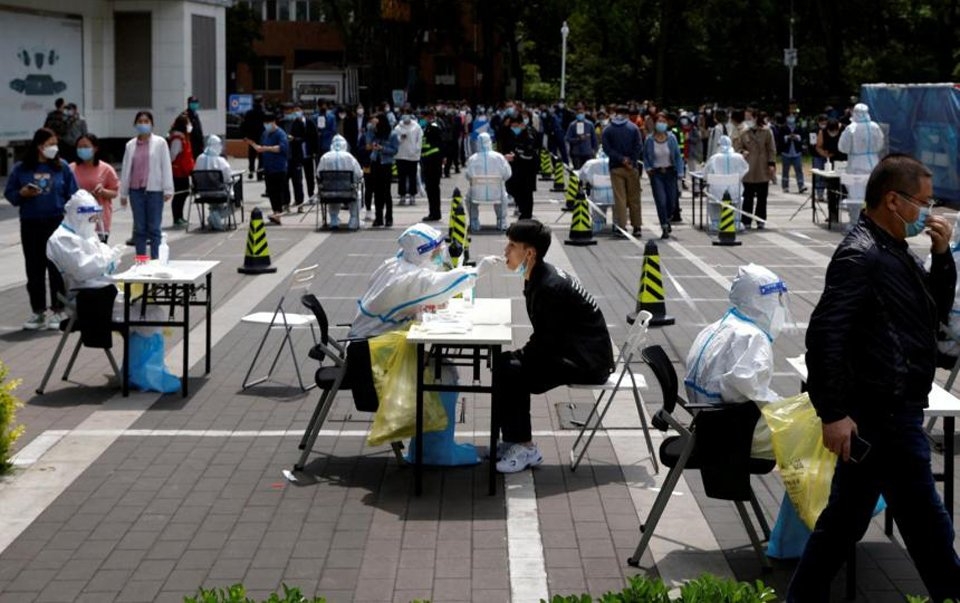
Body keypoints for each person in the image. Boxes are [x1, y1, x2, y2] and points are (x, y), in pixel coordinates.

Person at [787, 154, 960, 602]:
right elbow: (825, 335)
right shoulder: (860, 255)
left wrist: (941, 259)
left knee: (844, 523)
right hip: (882, 414)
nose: (928, 212)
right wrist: (834, 413)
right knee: (928, 527)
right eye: (922, 202)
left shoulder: (892, 249)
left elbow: (931, 313)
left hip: (889, 409)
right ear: (892, 200)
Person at [348, 223, 502, 465]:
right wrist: (476, 272)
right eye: (435, 250)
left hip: (374, 346)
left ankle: (433, 446)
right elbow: (434, 285)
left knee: (442, 367)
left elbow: (424, 289)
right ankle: (435, 453)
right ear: (420, 252)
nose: (439, 254)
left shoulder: (397, 265)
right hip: (370, 356)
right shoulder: (406, 277)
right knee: (442, 375)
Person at [494, 220, 615, 472]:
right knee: (506, 363)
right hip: (573, 350)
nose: (505, 250)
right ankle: (513, 440)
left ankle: (527, 448)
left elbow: (548, 341)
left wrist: (522, 356)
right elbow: (548, 337)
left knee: (512, 370)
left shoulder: (549, 286)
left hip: (588, 362)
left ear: (530, 253)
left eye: (511, 245)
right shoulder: (537, 275)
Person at [684, 264, 789, 459]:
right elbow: (744, 390)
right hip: (735, 433)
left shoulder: (719, 327)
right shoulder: (751, 338)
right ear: (761, 301)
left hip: (708, 423)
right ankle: (803, 490)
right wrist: (786, 408)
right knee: (817, 428)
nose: (779, 307)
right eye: (776, 300)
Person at [4, 127, 78, 330]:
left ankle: (58, 310)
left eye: (55, 143)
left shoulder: (61, 166)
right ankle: (38, 311)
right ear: (39, 146)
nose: (54, 148)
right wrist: (22, 193)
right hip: (31, 223)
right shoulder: (22, 168)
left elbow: (73, 194)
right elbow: (10, 194)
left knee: (56, 268)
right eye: (49, 144)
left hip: (55, 222)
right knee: (34, 269)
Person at [46, 190, 124, 293]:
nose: (94, 223)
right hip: (81, 292)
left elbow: (102, 255)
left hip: (94, 287)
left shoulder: (84, 233)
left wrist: (108, 259)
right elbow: (83, 270)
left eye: (96, 218)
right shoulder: (61, 239)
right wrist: (110, 257)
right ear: (78, 217)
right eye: (92, 219)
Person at [120, 111, 174, 258]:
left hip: (154, 190)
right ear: (135, 124)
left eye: (146, 121)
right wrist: (123, 193)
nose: (143, 124)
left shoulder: (160, 143)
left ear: (151, 124)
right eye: (140, 121)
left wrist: (168, 188)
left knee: (154, 228)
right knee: (139, 228)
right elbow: (126, 170)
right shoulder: (130, 145)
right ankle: (141, 260)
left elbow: (166, 166)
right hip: (135, 191)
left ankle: (156, 260)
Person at [602, 105, 644, 238]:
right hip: (632, 168)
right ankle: (637, 227)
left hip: (616, 167)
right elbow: (638, 146)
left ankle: (621, 226)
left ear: (615, 114)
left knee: (620, 199)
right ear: (627, 115)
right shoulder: (633, 128)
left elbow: (607, 149)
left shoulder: (608, 129)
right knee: (634, 198)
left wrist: (621, 159)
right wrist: (630, 160)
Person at [70, 133, 120, 242]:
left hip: (98, 220)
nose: (82, 149)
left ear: (95, 148)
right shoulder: (71, 169)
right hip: (77, 219)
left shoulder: (106, 169)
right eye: (80, 147)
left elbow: (114, 192)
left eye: (86, 147)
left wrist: (102, 191)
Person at [642, 113, 684, 240]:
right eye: (659, 121)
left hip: (671, 172)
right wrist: (648, 169)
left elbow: (677, 156)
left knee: (671, 202)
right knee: (661, 200)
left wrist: (680, 172)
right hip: (657, 174)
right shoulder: (649, 140)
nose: (661, 124)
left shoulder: (672, 138)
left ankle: (668, 217)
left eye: (663, 121)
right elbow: (646, 156)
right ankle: (664, 225)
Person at [734, 108, 777, 229]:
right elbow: (737, 147)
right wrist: (742, 151)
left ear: (755, 117)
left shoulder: (767, 131)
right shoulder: (743, 132)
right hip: (748, 168)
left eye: (749, 117)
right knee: (747, 197)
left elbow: (772, 149)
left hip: (762, 167)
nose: (747, 120)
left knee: (762, 197)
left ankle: (760, 220)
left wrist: (771, 164)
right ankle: (746, 220)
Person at [838, 102, 885, 203]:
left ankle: (857, 217)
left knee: (856, 197)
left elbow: (842, 147)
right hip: (873, 163)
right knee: (872, 194)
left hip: (855, 165)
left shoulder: (851, 128)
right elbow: (880, 144)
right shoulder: (875, 127)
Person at [247, 113, 289, 225]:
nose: (266, 125)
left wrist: (267, 148)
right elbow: (261, 147)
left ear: (273, 122)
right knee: (271, 192)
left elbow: (282, 148)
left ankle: (278, 214)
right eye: (265, 123)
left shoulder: (280, 134)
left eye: (268, 123)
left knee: (278, 192)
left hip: (279, 168)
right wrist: (254, 146)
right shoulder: (265, 134)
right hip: (268, 167)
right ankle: (275, 212)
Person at [465, 132, 511, 232]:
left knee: (468, 199)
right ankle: (501, 221)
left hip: (477, 195)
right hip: (497, 194)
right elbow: (507, 174)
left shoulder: (472, 159)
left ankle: (474, 221)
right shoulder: (499, 157)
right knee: (504, 196)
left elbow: (468, 176)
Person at [703, 135, 749, 232]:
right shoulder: (738, 157)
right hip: (735, 190)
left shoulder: (714, 158)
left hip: (716, 192)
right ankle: (736, 221)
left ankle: (716, 222)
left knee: (712, 199)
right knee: (738, 199)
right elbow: (745, 169)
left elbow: (706, 174)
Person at [317, 134, 362, 230]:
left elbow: (318, 174)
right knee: (358, 193)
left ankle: (333, 220)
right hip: (348, 193)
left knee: (333, 190)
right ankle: (353, 219)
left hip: (328, 193)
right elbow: (358, 174)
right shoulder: (349, 157)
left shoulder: (325, 157)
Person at [499, 113, 539, 220]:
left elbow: (529, 153)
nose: (514, 128)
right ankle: (522, 211)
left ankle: (526, 215)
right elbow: (505, 146)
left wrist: (516, 156)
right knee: (512, 188)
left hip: (528, 168)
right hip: (514, 168)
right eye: (512, 126)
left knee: (527, 192)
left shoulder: (529, 133)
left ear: (522, 124)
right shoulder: (508, 133)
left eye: (516, 126)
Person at [193, 135, 233, 231]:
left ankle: (214, 217)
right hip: (219, 193)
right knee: (236, 202)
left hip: (202, 193)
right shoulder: (221, 161)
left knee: (214, 204)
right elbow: (228, 178)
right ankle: (216, 216)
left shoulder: (199, 158)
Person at [368, 113, 400, 227]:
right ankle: (378, 217)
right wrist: (371, 128)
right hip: (375, 163)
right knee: (377, 193)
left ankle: (389, 218)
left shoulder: (392, 135)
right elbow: (368, 141)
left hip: (386, 164)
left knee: (386, 192)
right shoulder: (375, 133)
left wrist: (382, 148)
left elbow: (395, 150)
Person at [167, 113, 195, 227]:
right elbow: (173, 155)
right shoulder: (177, 139)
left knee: (185, 193)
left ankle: (180, 216)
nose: (189, 125)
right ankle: (177, 217)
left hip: (184, 170)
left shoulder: (183, 137)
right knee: (179, 194)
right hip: (178, 171)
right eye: (188, 123)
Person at [420, 108, 444, 221]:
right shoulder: (427, 128)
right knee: (430, 188)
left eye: (424, 117)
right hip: (428, 161)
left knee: (433, 188)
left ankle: (435, 213)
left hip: (433, 162)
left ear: (428, 117)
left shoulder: (434, 128)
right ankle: (433, 212)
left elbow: (439, 144)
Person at [281, 103, 306, 211]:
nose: (287, 112)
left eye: (289, 110)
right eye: (285, 110)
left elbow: (304, 138)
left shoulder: (299, 122)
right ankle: (286, 203)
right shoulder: (281, 123)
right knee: (284, 182)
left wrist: (294, 139)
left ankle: (300, 203)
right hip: (284, 158)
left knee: (297, 182)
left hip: (296, 156)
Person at [394, 113, 423, 207]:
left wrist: (416, 150)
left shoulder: (416, 127)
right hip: (401, 155)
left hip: (413, 157)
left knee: (412, 177)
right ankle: (402, 195)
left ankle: (412, 195)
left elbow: (420, 140)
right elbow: (395, 140)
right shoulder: (398, 128)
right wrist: (400, 138)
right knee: (401, 177)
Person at [775, 113, 808, 194]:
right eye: (789, 117)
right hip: (786, 152)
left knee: (798, 169)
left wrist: (797, 137)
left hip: (796, 152)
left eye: (792, 117)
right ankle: (785, 186)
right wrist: (787, 137)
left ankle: (801, 185)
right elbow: (780, 139)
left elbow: (802, 137)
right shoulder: (783, 128)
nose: (791, 118)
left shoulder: (798, 127)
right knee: (785, 170)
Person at [243, 96, 266, 179]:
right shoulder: (263, 112)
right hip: (262, 136)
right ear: (262, 102)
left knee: (251, 155)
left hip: (251, 136)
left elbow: (244, 124)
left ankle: (251, 171)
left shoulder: (249, 113)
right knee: (261, 156)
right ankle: (260, 174)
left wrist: (245, 135)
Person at [185, 96, 205, 160]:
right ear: (189, 104)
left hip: (198, 146)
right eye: (193, 103)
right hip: (191, 146)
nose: (195, 104)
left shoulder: (196, 115)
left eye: (196, 102)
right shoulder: (186, 115)